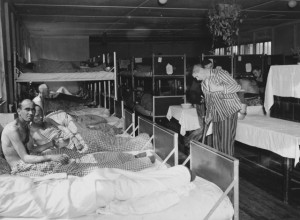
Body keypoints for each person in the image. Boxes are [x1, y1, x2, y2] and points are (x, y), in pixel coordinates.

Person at [1, 99, 70, 172]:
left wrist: (52, 143)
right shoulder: (12, 130)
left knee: (65, 154)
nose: (31, 113)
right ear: (19, 111)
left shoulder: (26, 125)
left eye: (33, 109)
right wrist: (51, 157)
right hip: (20, 166)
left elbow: (32, 149)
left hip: (30, 159)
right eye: (27, 109)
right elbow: (25, 157)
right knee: (61, 167)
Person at [192, 64, 244, 156]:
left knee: (226, 143)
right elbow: (208, 101)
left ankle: (228, 167)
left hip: (228, 110)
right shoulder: (203, 84)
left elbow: (237, 87)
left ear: (200, 71)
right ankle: (219, 165)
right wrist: (209, 114)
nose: (197, 79)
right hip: (216, 113)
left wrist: (219, 88)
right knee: (216, 142)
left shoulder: (220, 73)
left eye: (196, 76)